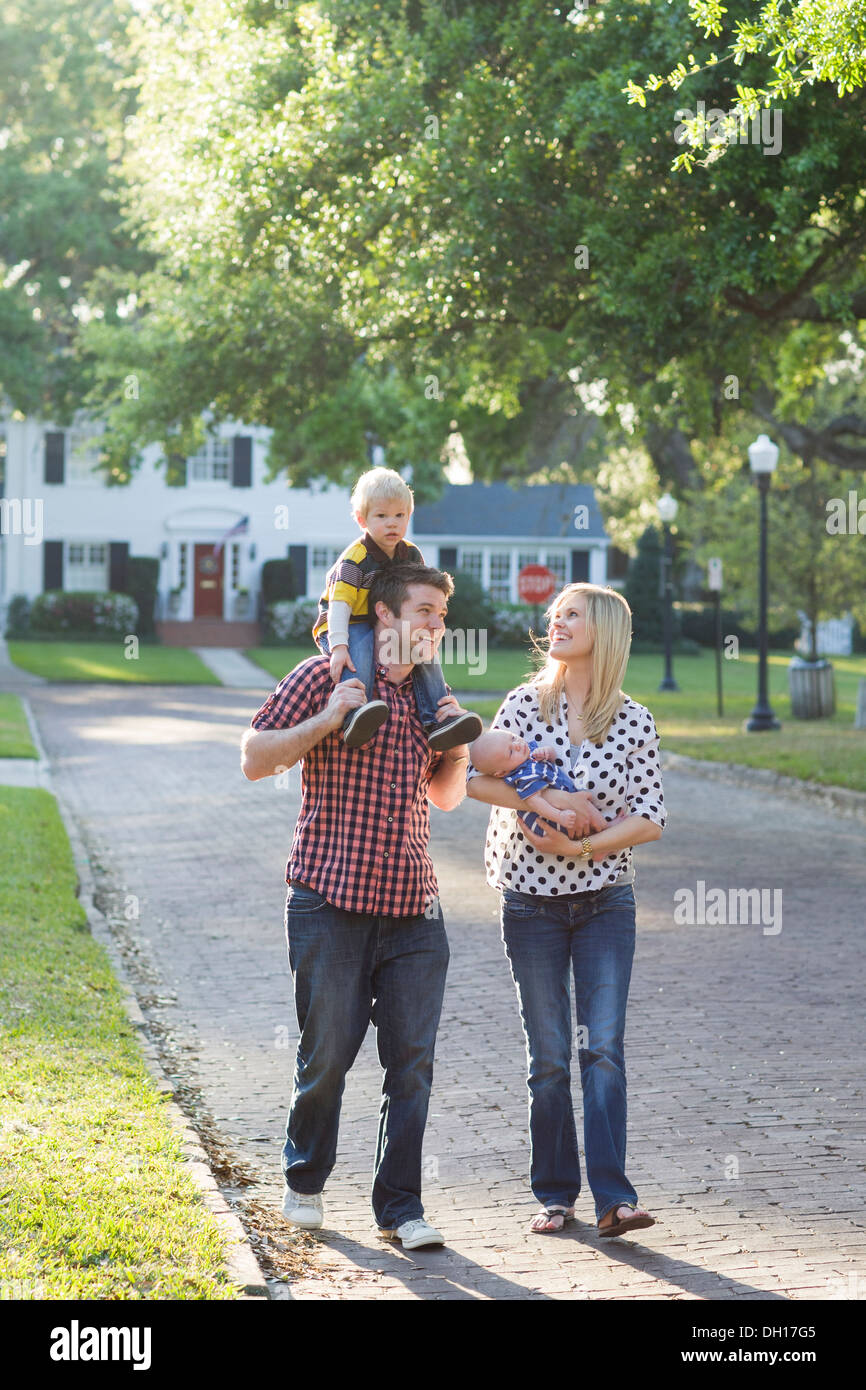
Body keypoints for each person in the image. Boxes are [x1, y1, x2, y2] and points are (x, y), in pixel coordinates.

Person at [241, 564, 472, 1250]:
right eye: (426, 611)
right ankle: (304, 1180)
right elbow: (254, 757)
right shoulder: (326, 678)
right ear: (386, 617)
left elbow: (447, 797)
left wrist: (454, 746)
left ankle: (400, 1207)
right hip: (329, 900)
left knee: (412, 1064)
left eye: (442, 616)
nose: (437, 626)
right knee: (328, 1055)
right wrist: (328, 718)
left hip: (413, 910)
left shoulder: (432, 699)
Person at [466, 582, 666, 1237]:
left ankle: (615, 1200)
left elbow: (649, 819)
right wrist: (538, 806)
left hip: (605, 901)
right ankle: (555, 1196)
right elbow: (475, 777)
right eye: (555, 615)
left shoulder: (632, 719)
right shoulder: (525, 704)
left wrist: (585, 851)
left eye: (571, 614)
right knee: (549, 1055)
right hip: (530, 905)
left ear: (602, 630)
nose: (557, 622)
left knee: (602, 1050)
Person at [312, 465, 482, 750]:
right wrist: (339, 645)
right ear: (362, 520)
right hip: (345, 621)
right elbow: (340, 604)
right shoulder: (356, 558)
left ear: (409, 516)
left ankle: (438, 720)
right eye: (382, 516)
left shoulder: (411, 554)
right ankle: (354, 715)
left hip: (381, 616)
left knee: (423, 652)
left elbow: (418, 590)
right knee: (361, 651)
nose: (392, 523)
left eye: (399, 516)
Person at [468, 728, 582, 836]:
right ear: (501, 773)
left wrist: (547, 752)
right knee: (578, 823)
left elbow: (552, 759)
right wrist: (560, 816)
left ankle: (594, 843)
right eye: (511, 752)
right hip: (552, 819)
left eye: (513, 738)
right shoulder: (523, 778)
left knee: (588, 807)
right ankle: (587, 841)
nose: (517, 745)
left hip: (569, 800)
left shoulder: (530, 754)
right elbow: (536, 803)